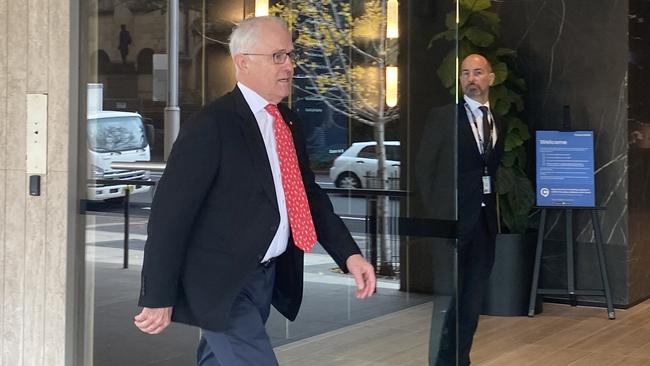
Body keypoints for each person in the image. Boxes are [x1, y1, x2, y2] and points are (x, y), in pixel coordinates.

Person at [133, 16, 376, 366]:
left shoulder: (288, 122)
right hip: (220, 283)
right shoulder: (212, 125)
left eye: (291, 56)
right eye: (278, 56)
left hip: (264, 276)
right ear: (243, 62)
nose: (289, 66)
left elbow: (306, 196)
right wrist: (157, 294)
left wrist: (349, 255)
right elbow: (170, 216)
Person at [418, 54, 506, 366]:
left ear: (490, 79)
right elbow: (424, 170)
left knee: (471, 302)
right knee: (448, 301)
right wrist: (440, 218)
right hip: (452, 227)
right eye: (465, 73)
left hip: (483, 226)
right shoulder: (444, 117)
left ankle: (461, 359)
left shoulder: (497, 122)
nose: (471, 78)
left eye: (478, 72)